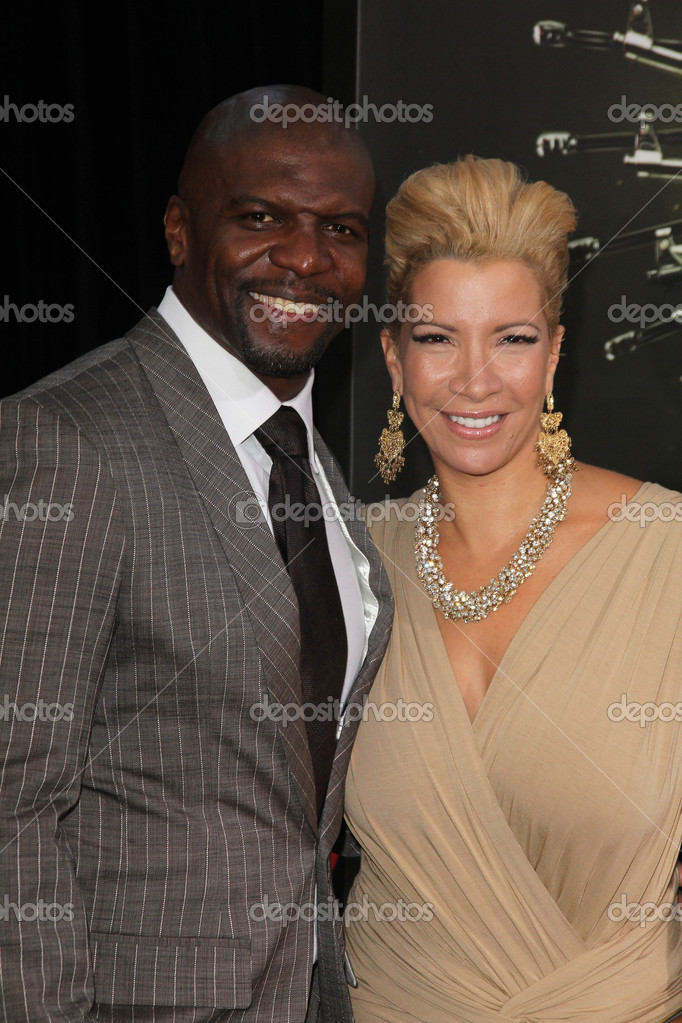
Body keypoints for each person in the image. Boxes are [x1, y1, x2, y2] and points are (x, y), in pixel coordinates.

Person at [0, 85, 392, 1022]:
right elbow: (11, 809)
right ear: (180, 230)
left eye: (340, 229)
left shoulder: (320, 472)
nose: (305, 258)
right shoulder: (65, 440)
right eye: (262, 218)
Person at [343, 155, 682, 1022]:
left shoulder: (665, 557)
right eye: (436, 337)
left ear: (556, 352)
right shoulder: (344, 557)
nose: (475, 379)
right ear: (392, 356)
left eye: (513, 337)